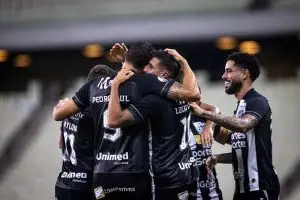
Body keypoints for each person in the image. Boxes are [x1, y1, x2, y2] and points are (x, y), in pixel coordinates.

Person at [53, 41, 200, 200]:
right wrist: (184, 62)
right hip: (136, 172)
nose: (147, 70)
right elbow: (192, 94)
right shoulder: (146, 83)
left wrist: (59, 110)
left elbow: (58, 115)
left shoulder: (92, 86)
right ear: (144, 65)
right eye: (147, 65)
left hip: (102, 174)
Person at [107, 49, 202, 200]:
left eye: (150, 66)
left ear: (164, 75)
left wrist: (115, 83)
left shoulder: (154, 101)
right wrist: (126, 62)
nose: (144, 69)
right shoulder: (182, 93)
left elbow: (114, 120)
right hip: (188, 173)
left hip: (165, 178)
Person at [190, 52, 280, 200]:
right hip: (243, 189)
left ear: (245, 74)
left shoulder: (257, 101)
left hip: (260, 187)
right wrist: (217, 158)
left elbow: (243, 125)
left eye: (229, 71)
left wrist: (204, 113)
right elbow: (242, 150)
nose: (223, 76)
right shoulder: (241, 106)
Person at [55, 65, 113, 200]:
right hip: (87, 184)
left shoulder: (68, 109)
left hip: (64, 182)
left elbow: (60, 143)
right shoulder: (95, 111)